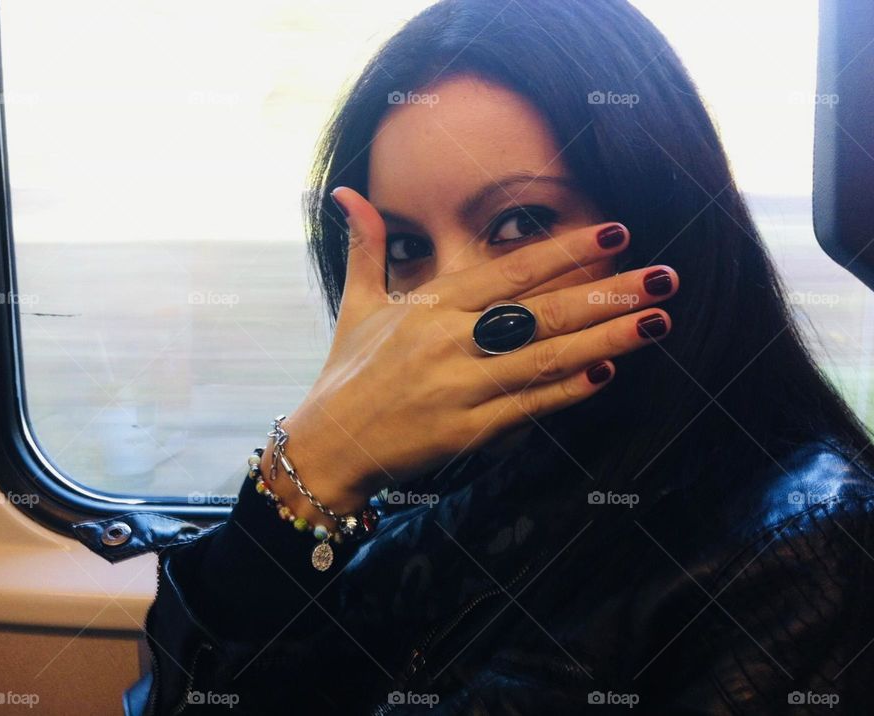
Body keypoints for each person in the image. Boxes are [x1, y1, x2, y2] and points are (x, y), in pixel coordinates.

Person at [116, 0, 874, 712]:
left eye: (517, 224)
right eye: (409, 247)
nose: (449, 306)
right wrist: (309, 467)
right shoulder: (433, 466)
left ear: (655, 225)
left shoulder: (795, 541)